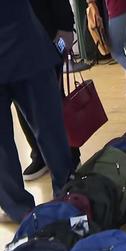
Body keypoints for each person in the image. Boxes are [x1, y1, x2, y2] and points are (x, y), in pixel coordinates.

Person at [0, 2, 74, 223]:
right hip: (29, 49)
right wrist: (64, 27)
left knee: (49, 128)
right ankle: (64, 193)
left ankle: (25, 207)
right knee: (48, 128)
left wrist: (64, 26)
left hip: (28, 47)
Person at [17, 0, 81, 181]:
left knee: (53, 103)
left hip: (48, 42)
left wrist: (65, 32)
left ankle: (70, 156)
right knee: (22, 106)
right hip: (15, 52)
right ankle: (39, 154)